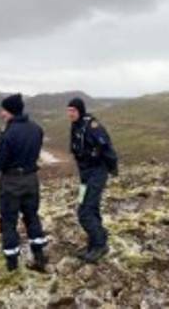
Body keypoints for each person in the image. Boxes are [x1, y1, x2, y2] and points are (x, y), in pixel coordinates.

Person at [0, 93, 49, 270]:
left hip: (11, 182)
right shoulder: (37, 129)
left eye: (3, 110)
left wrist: (0, 141)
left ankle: (12, 263)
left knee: (9, 221)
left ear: (10, 111)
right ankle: (39, 253)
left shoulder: (9, 134)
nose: (1, 114)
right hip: (31, 179)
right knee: (32, 216)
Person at [67, 97, 118, 263]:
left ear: (80, 110)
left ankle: (100, 245)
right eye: (68, 110)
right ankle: (94, 242)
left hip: (97, 172)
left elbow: (106, 146)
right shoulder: (76, 126)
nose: (70, 114)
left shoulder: (92, 126)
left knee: (85, 212)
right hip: (85, 175)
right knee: (89, 207)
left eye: (73, 110)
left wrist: (112, 166)